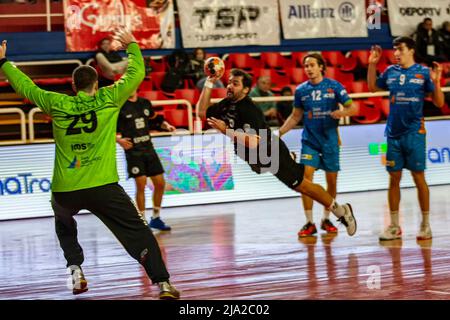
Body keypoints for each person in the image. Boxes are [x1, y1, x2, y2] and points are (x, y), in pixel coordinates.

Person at [0, 29, 180, 299]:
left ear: (73, 87)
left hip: (66, 189)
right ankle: (163, 283)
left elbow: (26, 87)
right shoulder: (109, 98)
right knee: (138, 232)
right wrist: (131, 46)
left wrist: (3, 63)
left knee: (64, 226)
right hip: (103, 186)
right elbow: (136, 74)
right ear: (96, 84)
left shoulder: (56, 102)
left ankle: (75, 270)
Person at [196, 68, 357, 238]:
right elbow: (201, 112)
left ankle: (342, 212)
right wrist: (209, 82)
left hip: (270, 153)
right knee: (281, 176)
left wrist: (226, 130)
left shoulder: (249, 109)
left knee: (302, 185)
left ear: (245, 90)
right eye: (229, 82)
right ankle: (293, 161)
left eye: (235, 83)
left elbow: (254, 141)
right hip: (255, 157)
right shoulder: (227, 103)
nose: (229, 86)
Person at [367, 37, 444, 241]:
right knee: (394, 179)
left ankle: (425, 225)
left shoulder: (423, 72)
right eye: (394, 50)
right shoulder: (391, 72)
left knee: (419, 178)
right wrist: (372, 64)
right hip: (393, 134)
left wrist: (436, 83)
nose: (396, 53)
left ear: (411, 50)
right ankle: (394, 226)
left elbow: (439, 102)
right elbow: (372, 87)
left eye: (400, 49)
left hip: (414, 134)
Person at [278, 53, 357, 238]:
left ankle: (327, 218)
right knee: (305, 180)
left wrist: (342, 112)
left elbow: (353, 108)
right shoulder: (301, 90)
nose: (308, 69)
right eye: (306, 66)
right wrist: (278, 133)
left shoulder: (334, 86)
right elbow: (296, 116)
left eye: (312, 65)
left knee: (332, 181)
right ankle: (309, 222)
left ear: (321, 66)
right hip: (310, 141)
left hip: (329, 141)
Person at [116, 90, 176, 231]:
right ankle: (142, 222)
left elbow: (155, 120)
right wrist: (118, 140)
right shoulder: (120, 106)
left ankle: (155, 218)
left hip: (149, 148)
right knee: (141, 184)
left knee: (160, 183)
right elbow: (107, 129)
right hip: (133, 151)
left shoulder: (145, 103)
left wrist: (166, 125)